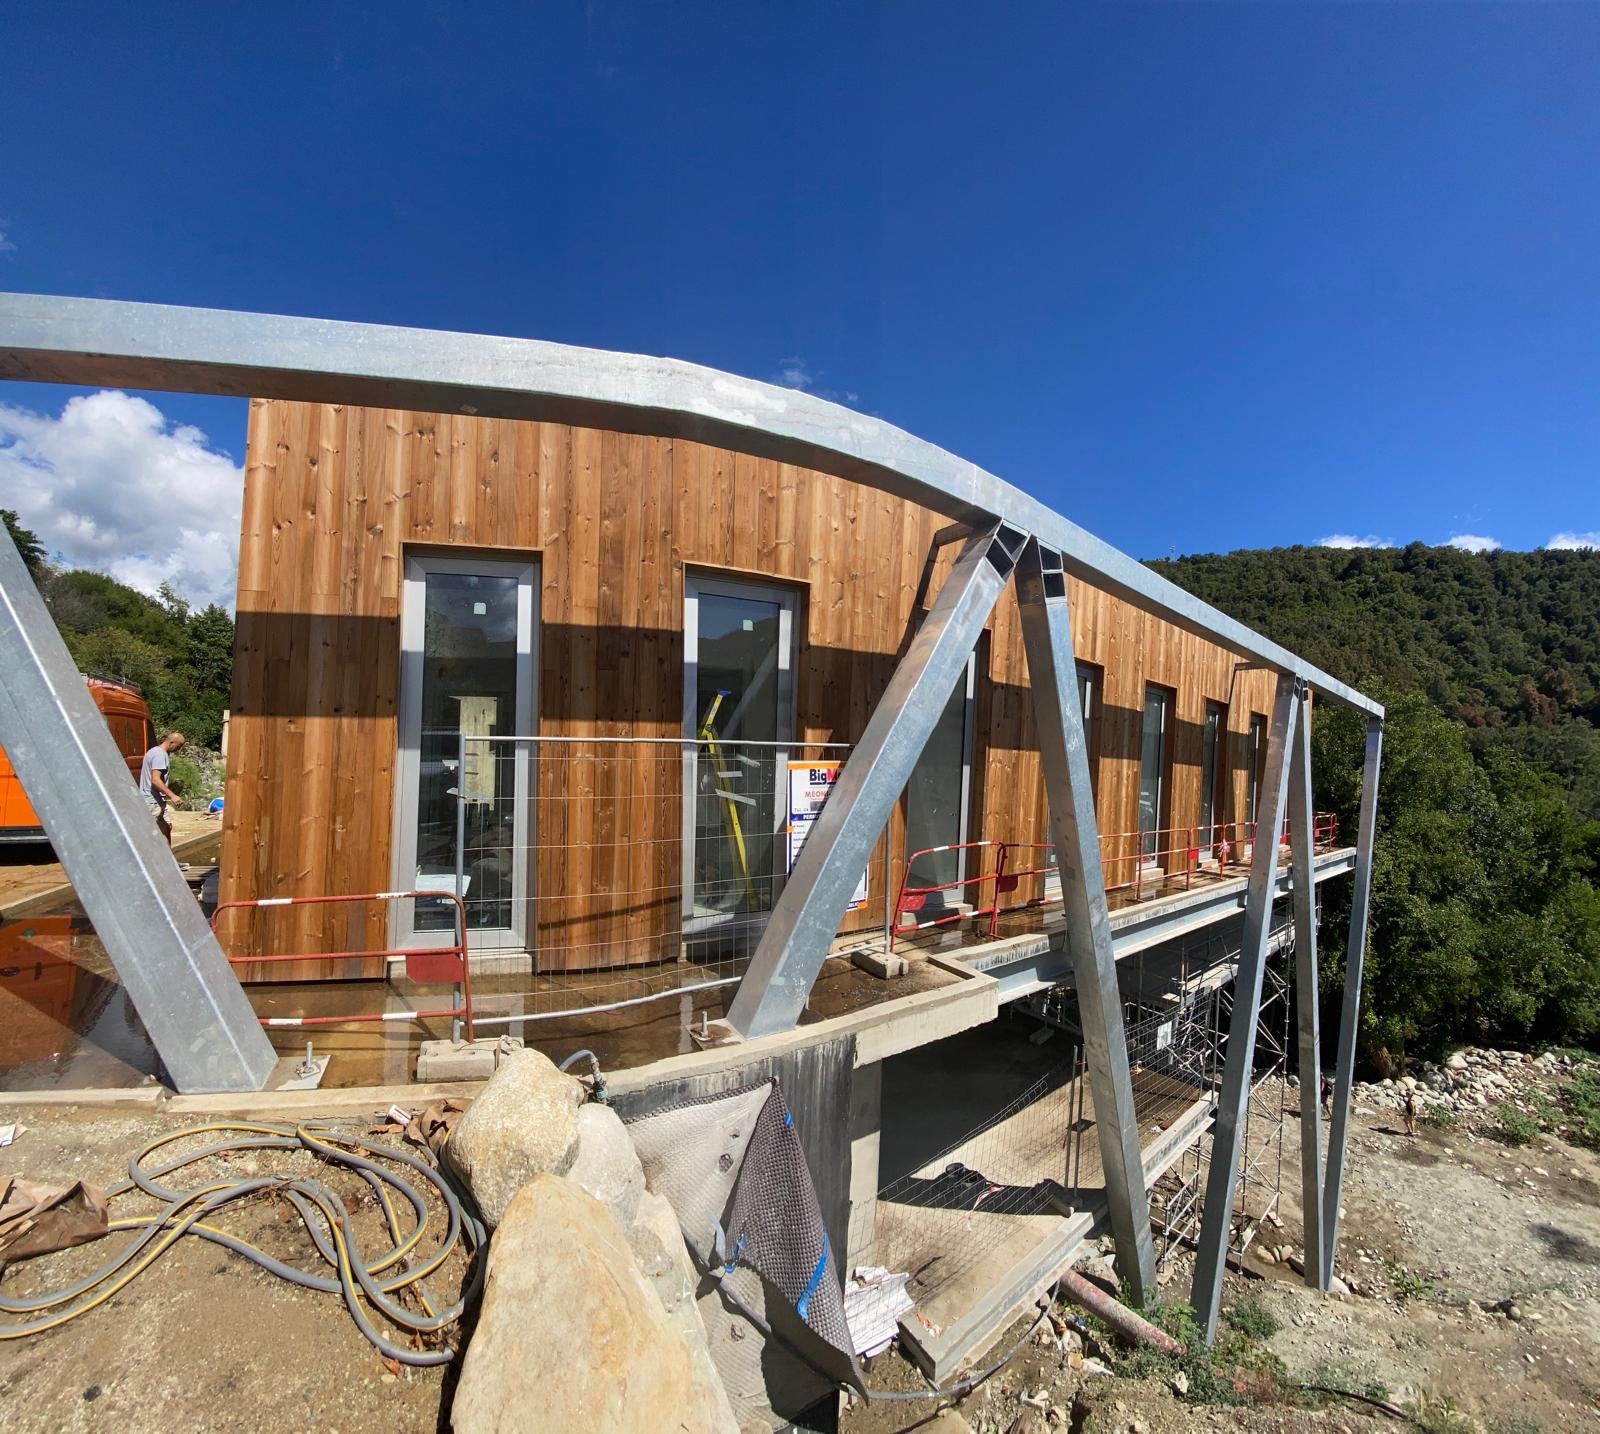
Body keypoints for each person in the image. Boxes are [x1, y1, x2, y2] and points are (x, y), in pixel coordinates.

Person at [139, 731, 186, 845]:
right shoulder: (160, 755)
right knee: (151, 836)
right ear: (171, 742)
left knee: (165, 829)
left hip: (156, 801)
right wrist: (172, 796)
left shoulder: (153, 752)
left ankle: (169, 862)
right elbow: (155, 780)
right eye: (178, 746)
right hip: (152, 802)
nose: (178, 750)